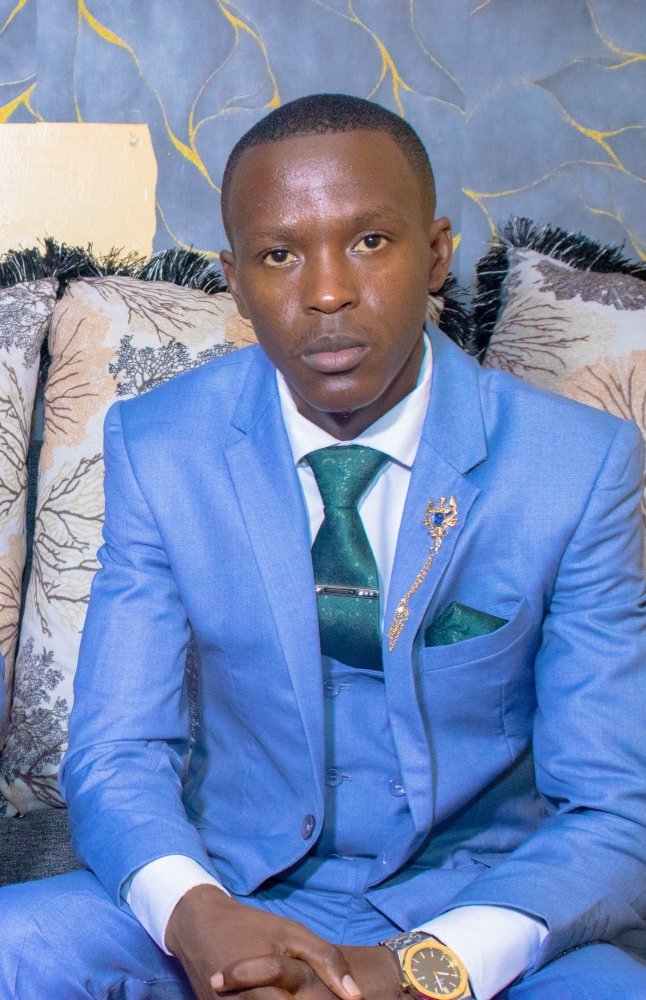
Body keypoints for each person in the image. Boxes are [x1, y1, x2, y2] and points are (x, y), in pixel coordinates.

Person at [0, 93, 645, 1000]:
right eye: (280, 255)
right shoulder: (161, 444)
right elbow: (118, 750)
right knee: (16, 947)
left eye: (370, 242)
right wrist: (198, 915)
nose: (328, 292)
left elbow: (614, 808)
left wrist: (425, 966)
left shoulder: (577, 465)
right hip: (234, 883)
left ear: (436, 254)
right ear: (236, 281)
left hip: (471, 906)